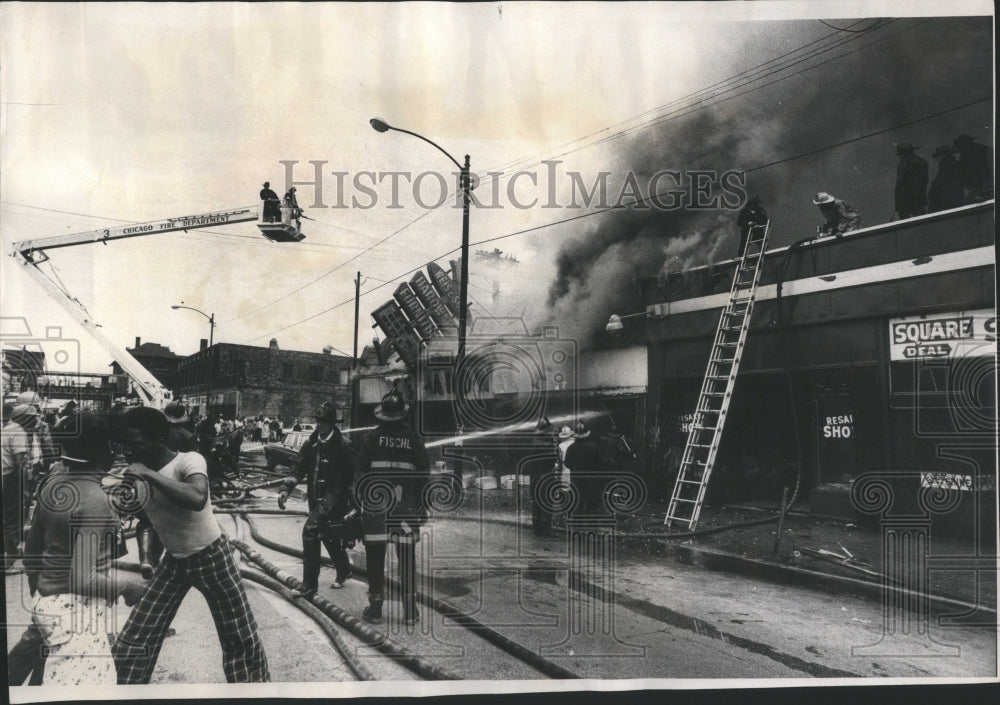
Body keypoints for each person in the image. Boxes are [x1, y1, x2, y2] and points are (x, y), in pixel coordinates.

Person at [111, 407, 270, 683]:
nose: (128, 451)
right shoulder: (138, 477)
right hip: (173, 562)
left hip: (212, 557)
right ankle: (122, 690)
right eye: (125, 444)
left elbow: (197, 497)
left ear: (159, 440)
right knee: (137, 635)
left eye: (135, 444)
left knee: (240, 639)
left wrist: (148, 475)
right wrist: (146, 561)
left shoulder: (189, 461)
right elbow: (148, 523)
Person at [20, 412, 146, 685]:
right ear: (107, 452)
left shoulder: (52, 483)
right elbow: (82, 578)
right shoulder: (94, 500)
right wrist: (126, 586)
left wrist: (44, 595)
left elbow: (31, 553)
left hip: (50, 605)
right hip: (75, 616)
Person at [355, 385, 430, 625]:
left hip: (376, 510)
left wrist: (359, 505)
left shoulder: (371, 438)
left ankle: (375, 609)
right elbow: (424, 476)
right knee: (407, 559)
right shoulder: (414, 440)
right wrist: (422, 507)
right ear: (402, 414)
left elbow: (360, 475)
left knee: (376, 557)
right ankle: (410, 612)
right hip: (406, 510)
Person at [277, 402, 356, 595]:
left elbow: (350, 479)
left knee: (311, 532)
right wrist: (285, 489)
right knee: (328, 537)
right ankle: (344, 570)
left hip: (335, 501)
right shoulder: (311, 443)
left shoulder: (344, 446)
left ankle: (310, 585)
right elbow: (298, 468)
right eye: (318, 421)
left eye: (324, 422)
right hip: (317, 500)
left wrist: (355, 506)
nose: (319, 425)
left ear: (332, 423)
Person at [2, 404, 37, 568]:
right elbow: (20, 464)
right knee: (11, 517)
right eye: (32, 417)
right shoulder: (18, 432)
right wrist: (23, 488)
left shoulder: (6, 429)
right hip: (9, 479)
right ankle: (11, 553)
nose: (34, 421)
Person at [564, 419, 604, 518]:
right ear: (587, 434)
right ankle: (592, 528)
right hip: (592, 481)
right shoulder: (594, 447)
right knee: (592, 508)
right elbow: (600, 463)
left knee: (578, 506)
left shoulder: (571, 448)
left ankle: (577, 527)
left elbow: (568, 464)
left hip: (577, 480)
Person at [529, 418, 558, 537]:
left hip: (535, 476)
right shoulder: (544, 445)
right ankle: (546, 528)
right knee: (546, 502)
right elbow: (550, 460)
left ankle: (537, 528)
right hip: (544, 476)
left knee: (536, 502)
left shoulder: (535, 441)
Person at [952, 134, 992, 203]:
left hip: (982, 188)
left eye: (959, 149)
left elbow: (969, 176)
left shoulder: (967, 154)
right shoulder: (984, 149)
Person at [893, 143, 928, 219]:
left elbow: (900, 183)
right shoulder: (922, 162)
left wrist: (898, 203)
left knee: (905, 221)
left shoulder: (903, 164)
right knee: (922, 218)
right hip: (920, 196)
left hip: (906, 198)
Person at [927, 146, 965, 213]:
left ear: (943, 155)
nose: (938, 159)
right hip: (954, 194)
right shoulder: (955, 163)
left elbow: (942, 179)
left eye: (939, 156)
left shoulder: (946, 163)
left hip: (948, 195)